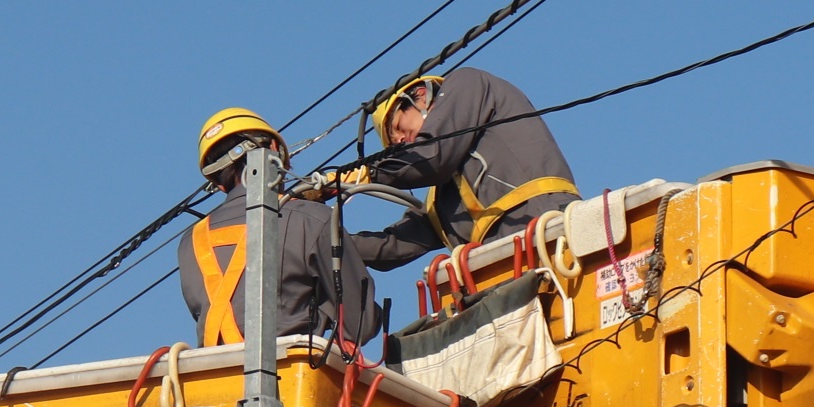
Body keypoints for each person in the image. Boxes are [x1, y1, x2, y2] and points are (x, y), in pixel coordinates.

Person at [177, 107, 385, 349]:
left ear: (217, 182)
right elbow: (360, 324)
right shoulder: (312, 219)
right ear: (275, 151)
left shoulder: (190, 241)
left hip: (216, 381)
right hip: (292, 379)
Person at [341, 68, 578, 275]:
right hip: (502, 264)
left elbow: (430, 156)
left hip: (542, 223)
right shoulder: (442, 194)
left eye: (397, 128)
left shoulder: (467, 83)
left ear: (421, 96)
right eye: (395, 144)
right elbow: (394, 245)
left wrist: (357, 176)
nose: (401, 141)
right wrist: (326, 242)